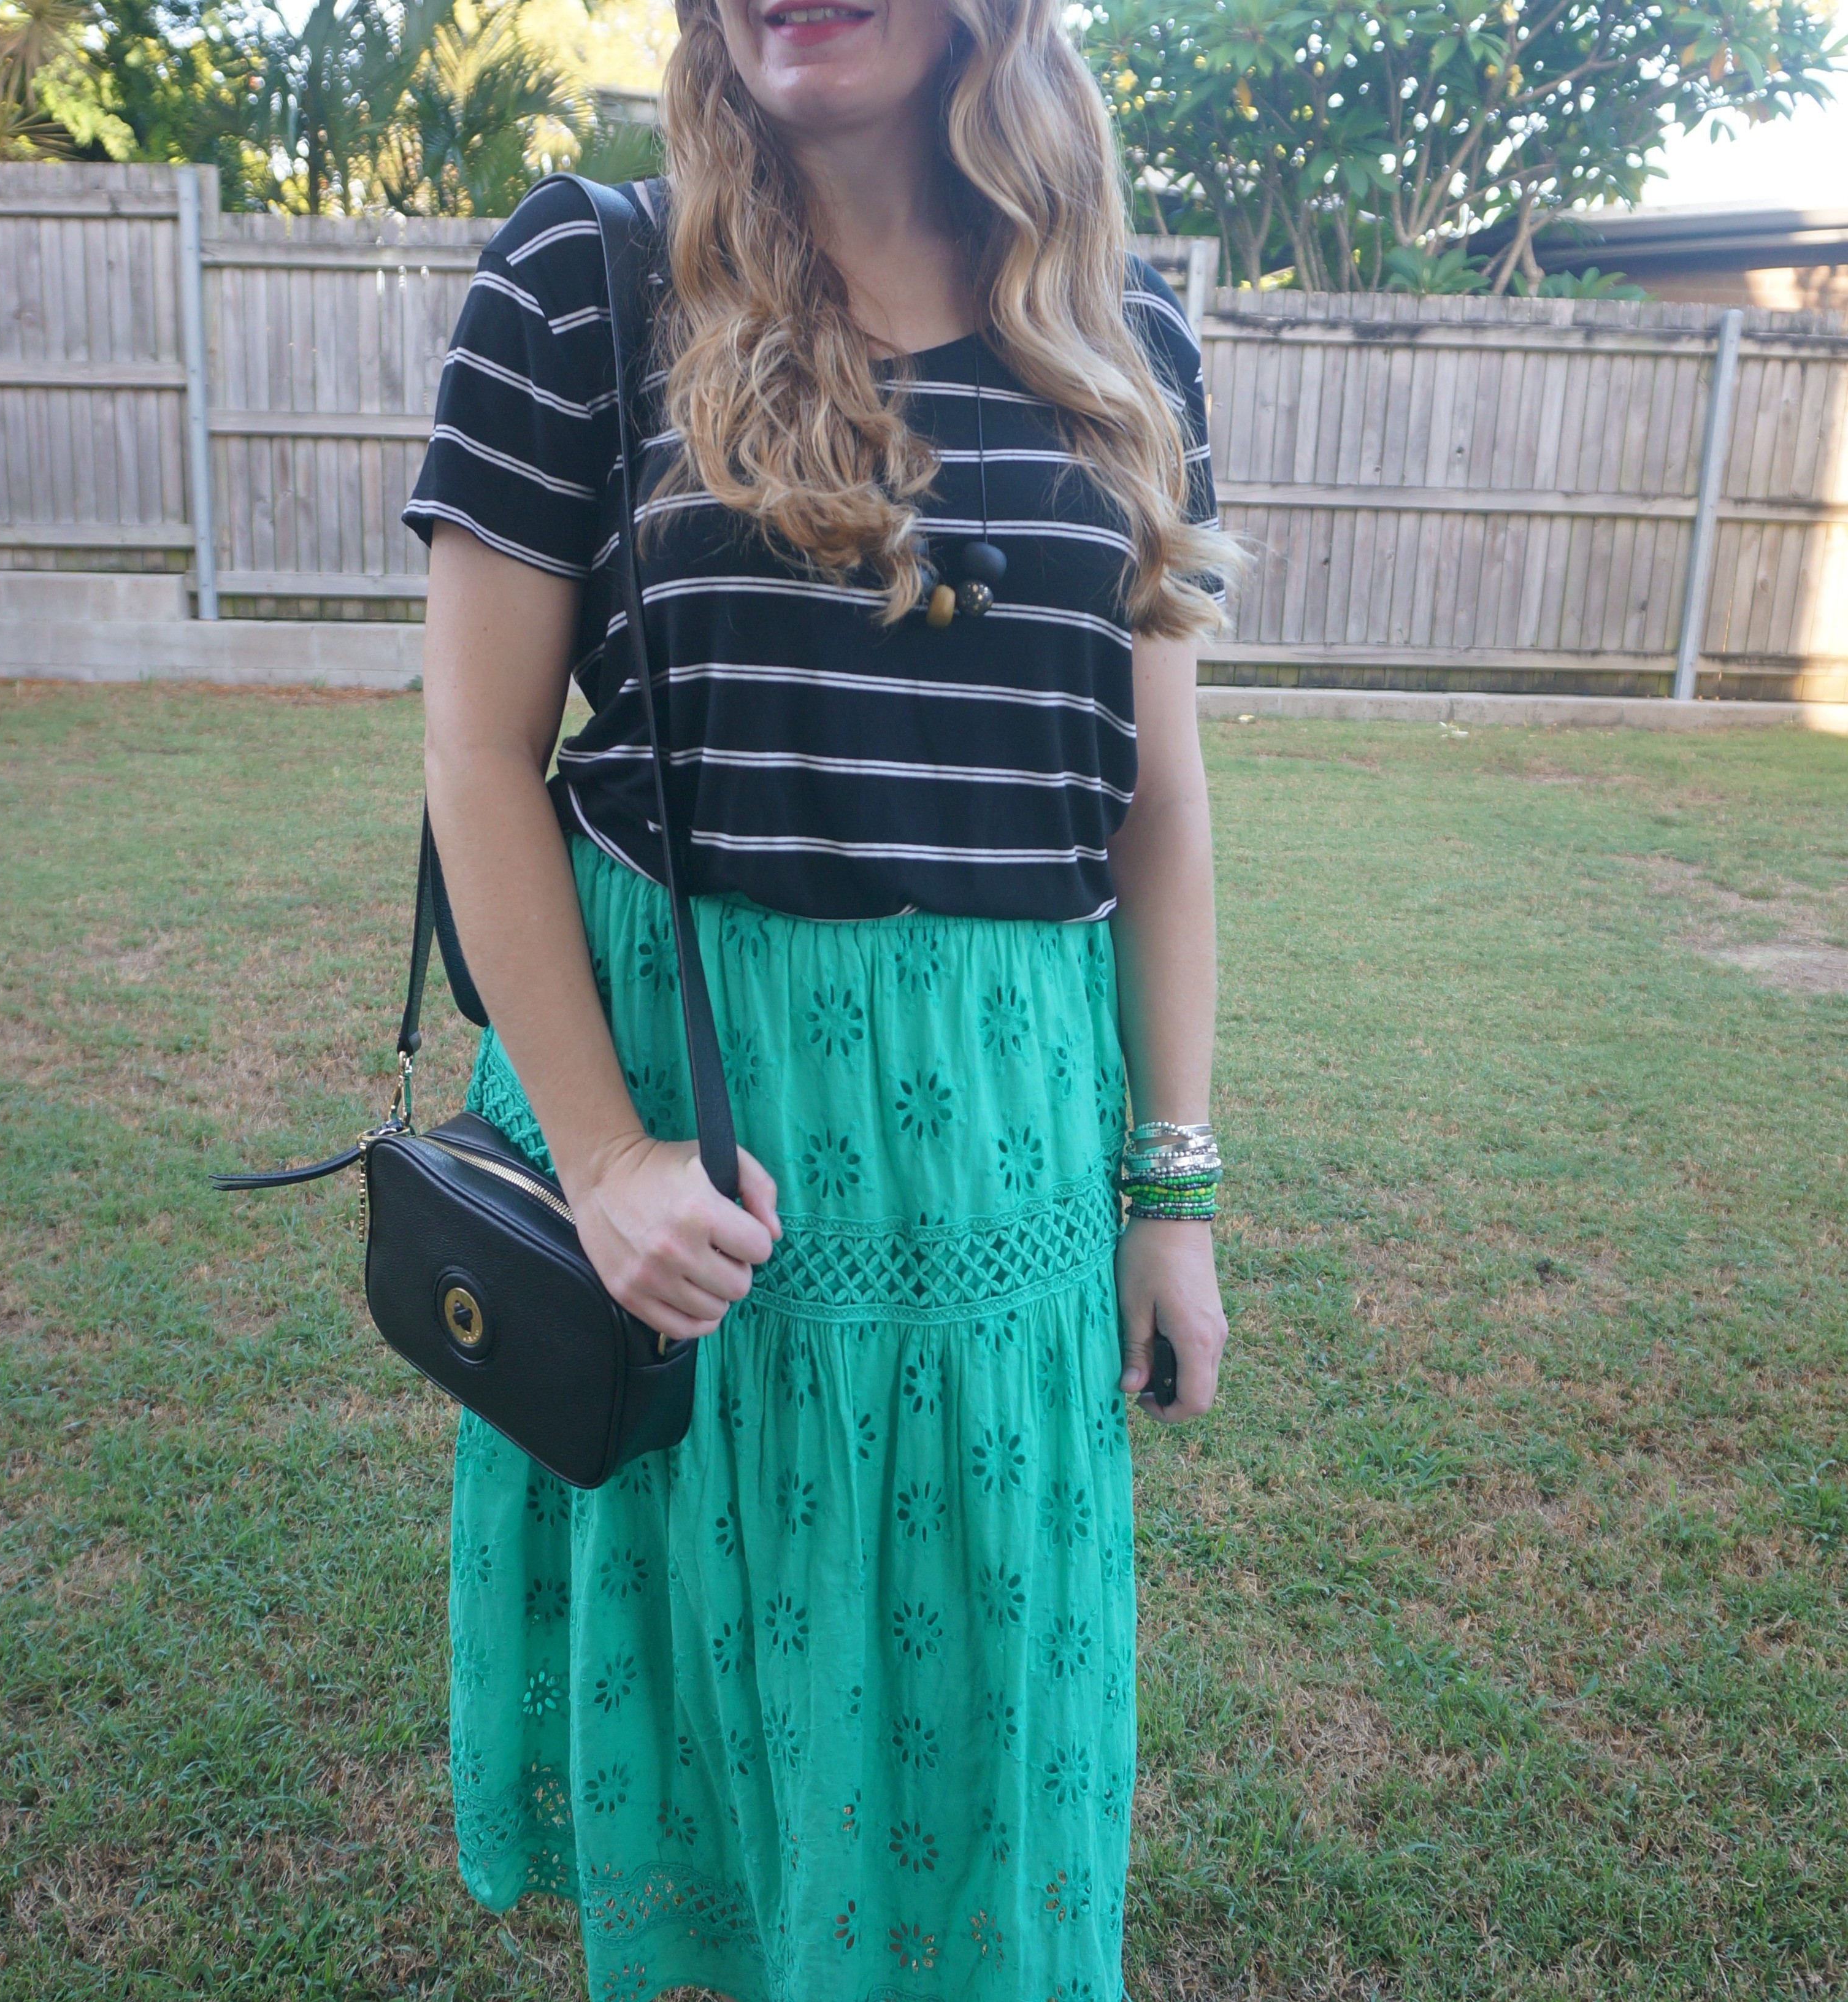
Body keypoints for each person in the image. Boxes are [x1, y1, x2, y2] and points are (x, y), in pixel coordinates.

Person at [401, 0, 1236, 1993]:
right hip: (698, 1160)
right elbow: (475, 756)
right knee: (730, 1728)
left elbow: (1162, 802)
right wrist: (600, 1163)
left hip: (1006, 1175)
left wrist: (1174, 1191)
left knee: (985, 1727)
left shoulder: (1131, 346)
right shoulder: (590, 277)